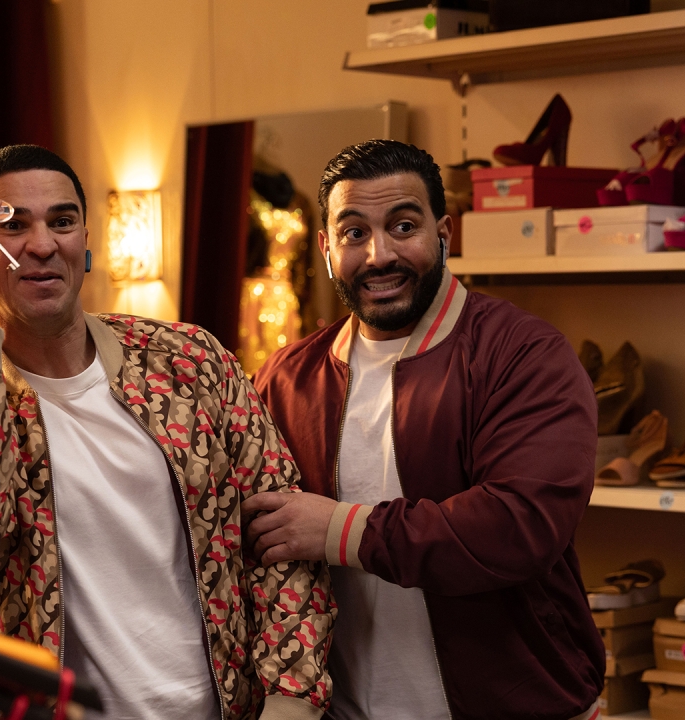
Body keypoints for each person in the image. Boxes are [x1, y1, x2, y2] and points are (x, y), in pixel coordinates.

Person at [0, 145, 333, 720]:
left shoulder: (190, 362)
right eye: (13, 225)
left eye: (62, 221)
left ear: (85, 240)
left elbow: (283, 533)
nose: (43, 244)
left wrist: (289, 703)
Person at [244, 139, 604, 720]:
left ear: (444, 233)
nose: (379, 254)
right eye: (354, 233)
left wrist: (338, 530)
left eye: (403, 226)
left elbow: (521, 523)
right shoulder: (286, 380)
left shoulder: (524, 355)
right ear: (327, 249)